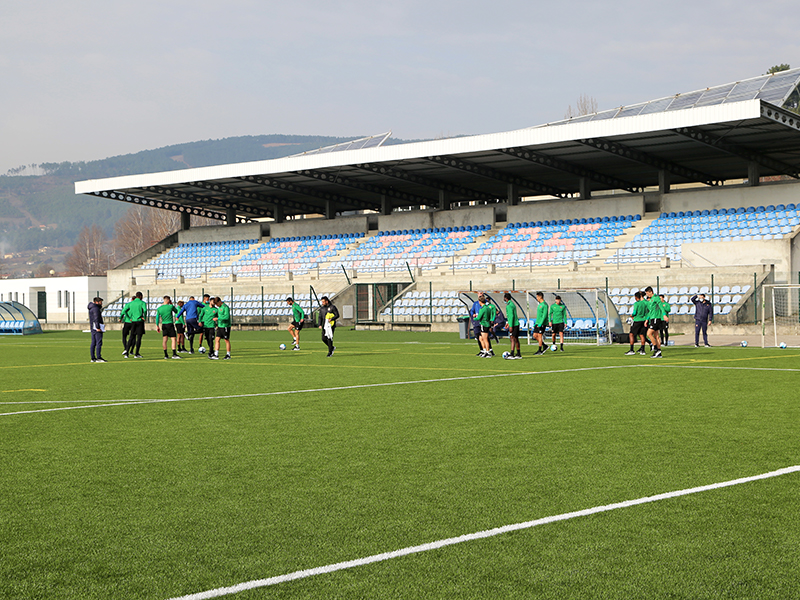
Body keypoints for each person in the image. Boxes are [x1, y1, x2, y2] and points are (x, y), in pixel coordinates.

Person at [121, 291, 147, 358]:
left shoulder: (131, 303)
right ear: (141, 296)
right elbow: (145, 310)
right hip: (139, 321)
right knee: (139, 338)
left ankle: (127, 353)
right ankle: (136, 353)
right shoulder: (142, 303)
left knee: (131, 337)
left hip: (133, 322)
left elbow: (124, 311)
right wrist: (144, 317)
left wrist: (129, 317)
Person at [625, 291, 648, 356]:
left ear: (636, 297)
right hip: (643, 320)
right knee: (641, 335)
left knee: (631, 334)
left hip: (637, 320)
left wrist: (632, 315)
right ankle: (643, 350)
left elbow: (635, 312)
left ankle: (631, 350)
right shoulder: (645, 303)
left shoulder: (636, 304)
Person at [644, 286, 663, 359]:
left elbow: (661, 306)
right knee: (656, 336)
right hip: (652, 318)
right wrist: (647, 319)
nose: (647, 295)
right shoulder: (651, 300)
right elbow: (650, 311)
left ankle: (656, 349)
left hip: (656, 318)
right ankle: (659, 352)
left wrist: (664, 315)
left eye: (647, 293)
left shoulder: (656, 298)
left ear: (651, 292)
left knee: (649, 334)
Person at [88, 296, 106, 363]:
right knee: (98, 342)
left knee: (94, 342)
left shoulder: (92, 308)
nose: (101, 303)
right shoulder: (96, 308)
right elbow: (96, 318)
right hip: (96, 328)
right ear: (96, 302)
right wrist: (98, 327)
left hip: (93, 327)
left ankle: (93, 358)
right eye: (101, 302)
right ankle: (98, 357)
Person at [504, 293, 521, 359]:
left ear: (506, 298)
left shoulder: (509, 305)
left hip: (513, 324)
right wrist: (508, 323)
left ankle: (512, 353)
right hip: (516, 323)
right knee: (516, 339)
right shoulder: (513, 304)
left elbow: (511, 316)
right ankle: (518, 353)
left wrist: (510, 326)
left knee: (512, 338)